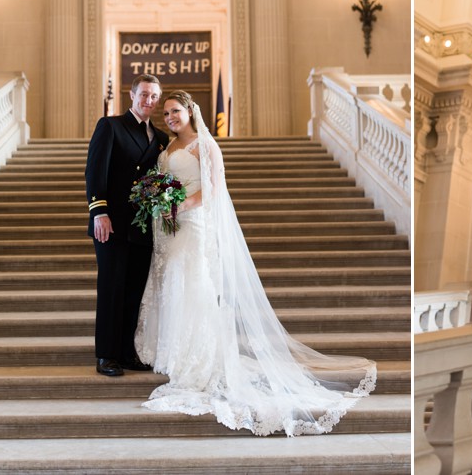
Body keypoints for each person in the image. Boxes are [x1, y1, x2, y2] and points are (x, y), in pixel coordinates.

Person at [134, 91, 376, 435]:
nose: (170, 117)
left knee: (193, 284)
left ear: (189, 111)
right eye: (166, 112)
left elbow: (214, 188)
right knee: (173, 285)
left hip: (194, 225)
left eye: (175, 111)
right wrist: (160, 201)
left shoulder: (205, 144)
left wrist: (181, 206)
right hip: (169, 229)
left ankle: (197, 358)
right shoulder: (167, 148)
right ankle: (175, 353)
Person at [85, 73, 169, 377]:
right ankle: (106, 355)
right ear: (132, 96)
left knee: (134, 290)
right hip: (113, 222)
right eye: (144, 94)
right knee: (111, 287)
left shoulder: (160, 138)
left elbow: (158, 182)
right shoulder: (110, 126)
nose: (149, 100)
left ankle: (125, 352)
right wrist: (99, 212)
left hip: (143, 225)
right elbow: (95, 171)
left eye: (154, 96)